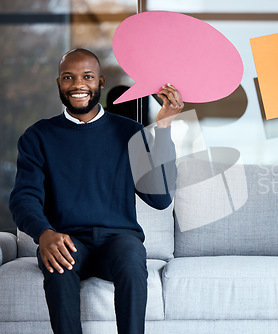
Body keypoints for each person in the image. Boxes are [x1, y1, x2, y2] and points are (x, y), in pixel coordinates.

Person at [9, 48, 183, 334]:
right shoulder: (37, 136)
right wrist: (44, 233)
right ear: (59, 84)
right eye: (69, 77)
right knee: (58, 262)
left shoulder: (130, 132)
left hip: (117, 240)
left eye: (87, 77)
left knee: (131, 255)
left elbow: (160, 197)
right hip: (67, 239)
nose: (78, 84)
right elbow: (23, 197)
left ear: (100, 83)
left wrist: (163, 125)